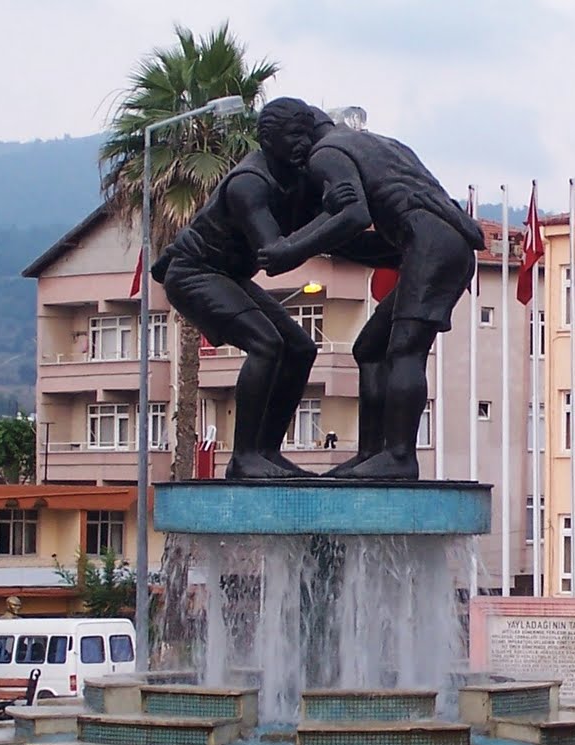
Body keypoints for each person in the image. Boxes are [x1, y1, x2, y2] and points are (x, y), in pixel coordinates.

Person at [256, 97, 485, 480]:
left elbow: (355, 215)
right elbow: (376, 235)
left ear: (293, 137)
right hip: (438, 243)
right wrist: (325, 239)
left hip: (432, 245)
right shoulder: (382, 144)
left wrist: (289, 249)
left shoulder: (325, 155)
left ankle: (399, 457)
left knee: (405, 349)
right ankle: (371, 453)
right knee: (370, 348)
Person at [150, 141, 321, 479]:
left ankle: (267, 451)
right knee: (267, 344)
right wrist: (339, 222)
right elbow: (273, 250)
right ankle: (244, 456)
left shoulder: (295, 182)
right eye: (299, 139)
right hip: (194, 274)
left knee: (301, 348)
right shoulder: (250, 182)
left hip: (226, 274)